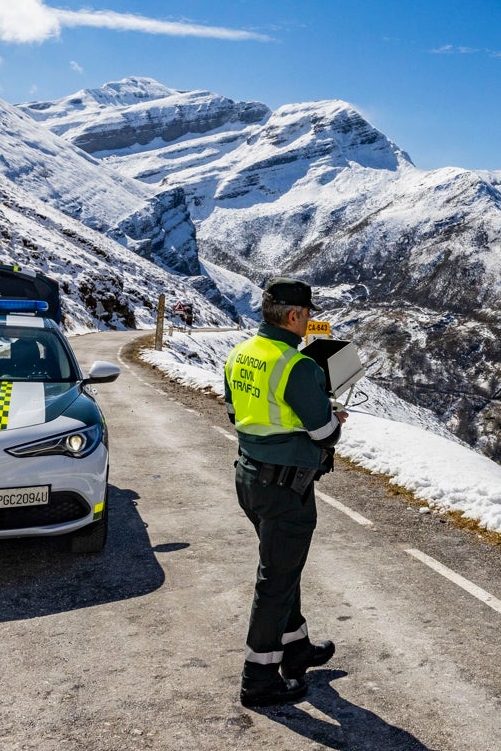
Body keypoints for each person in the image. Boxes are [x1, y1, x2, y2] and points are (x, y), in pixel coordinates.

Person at [224, 276, 348, 708]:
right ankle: (258, 678)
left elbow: (234, 411)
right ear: (295, 316)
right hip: (285, 488)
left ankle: (295, 648)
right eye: (307, 314)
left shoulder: (240, 354)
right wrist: (334, 417)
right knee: (275, 579)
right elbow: (324, 433)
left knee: (283, 564)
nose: (309, 320)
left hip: (249, 477)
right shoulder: (299, 367)